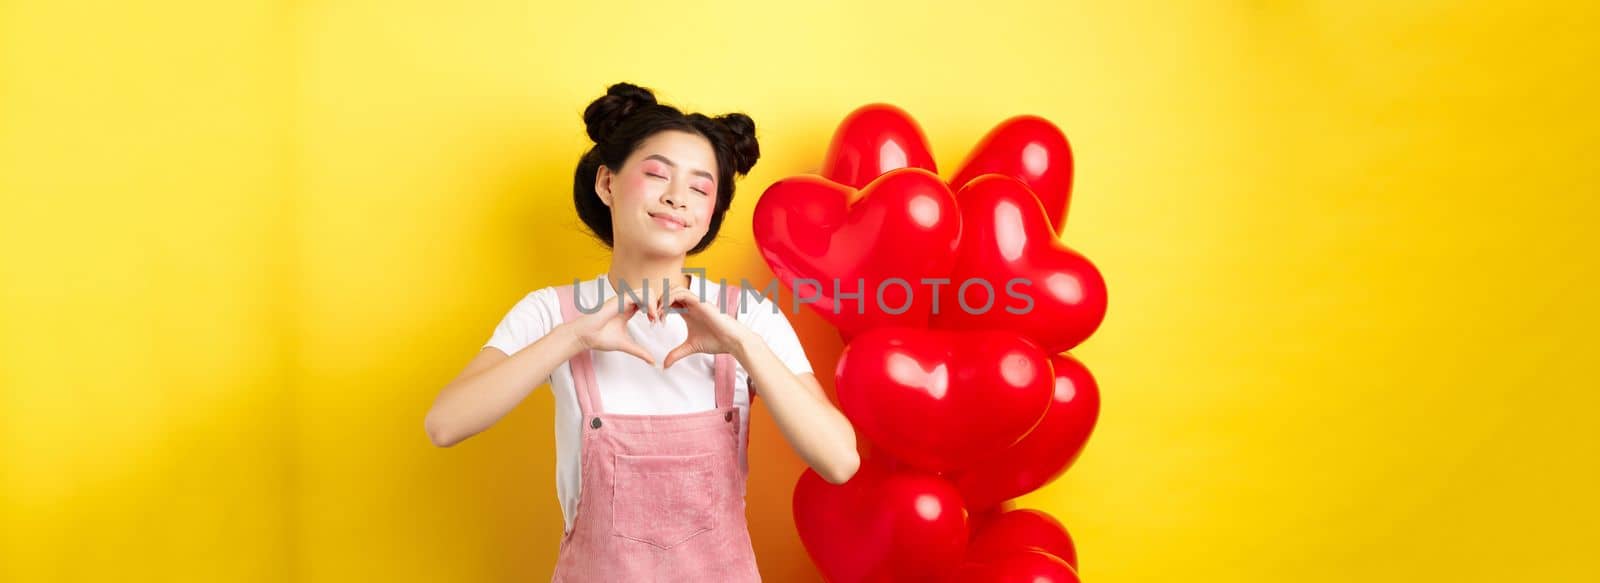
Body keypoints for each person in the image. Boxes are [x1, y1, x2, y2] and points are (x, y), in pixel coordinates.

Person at [424, 82, 859, 581]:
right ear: (607, 183)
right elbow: (446, 424)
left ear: (710, 216)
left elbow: (840, 461)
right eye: (657, 175)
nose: (677, 197)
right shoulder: (552, 313)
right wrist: (576, 338)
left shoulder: (749, 317)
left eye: (699, 188)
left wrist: (741, 344)